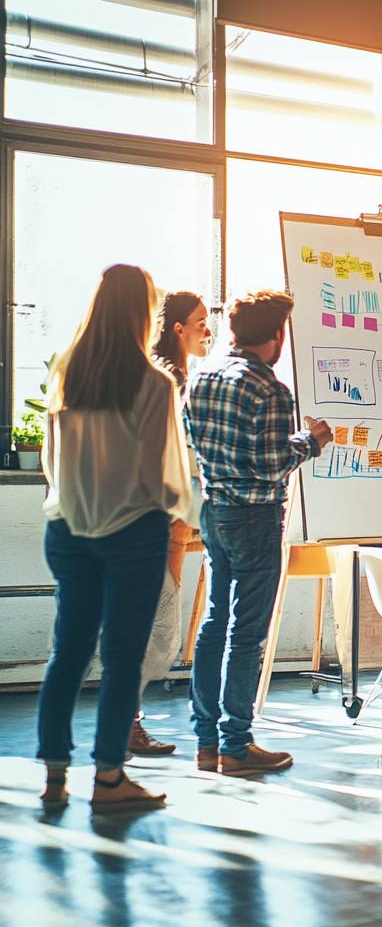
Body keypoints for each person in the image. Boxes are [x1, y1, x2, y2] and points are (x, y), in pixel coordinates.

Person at [36, 264, 191, 812]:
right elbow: (159, 474)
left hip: (67, 527)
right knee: (122, 657)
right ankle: (108, 780)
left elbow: (50, 462)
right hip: (132, 532)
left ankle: (55, 775)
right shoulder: (153, 381)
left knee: (67, 654)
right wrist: (178, 513)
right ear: (142, 312)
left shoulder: (65, 370)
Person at [186, 290, 332, 776]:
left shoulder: (201, 376)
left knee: (214, 625)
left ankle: (207, 741)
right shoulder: (268, 389)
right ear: (276, 336)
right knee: (247, 635)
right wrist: (311, 442)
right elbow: (272, 464)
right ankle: (237, 745)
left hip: (214, 511)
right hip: (255, 518)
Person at [126, 291, 212, 757]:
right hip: (158, 518)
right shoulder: (169, 379)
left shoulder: (173, 375)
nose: (207, 329)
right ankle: (125, 724)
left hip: (161, 516)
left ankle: (125, 722)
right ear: (177, 328)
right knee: (158, 631)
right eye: (200, 321)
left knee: (156, 627)